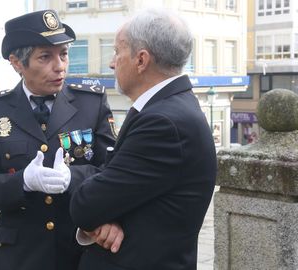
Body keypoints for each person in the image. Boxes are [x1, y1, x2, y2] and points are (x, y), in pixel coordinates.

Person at [0, 9, 119, 270]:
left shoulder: (90, 103)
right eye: (45, 57)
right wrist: (23, 182)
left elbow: (113, 170)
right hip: (20, 255)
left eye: (63, 54)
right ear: (17, 62)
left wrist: (73, 179)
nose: (59, 66)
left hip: (79, 249)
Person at [69, 8, 217, 270]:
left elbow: (87, 203)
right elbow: (115, 185)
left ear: (141, 60)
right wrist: (104, 218)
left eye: (117, 51)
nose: (112, 62)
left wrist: (98, 213)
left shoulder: (163, 123)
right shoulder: (165, 109)